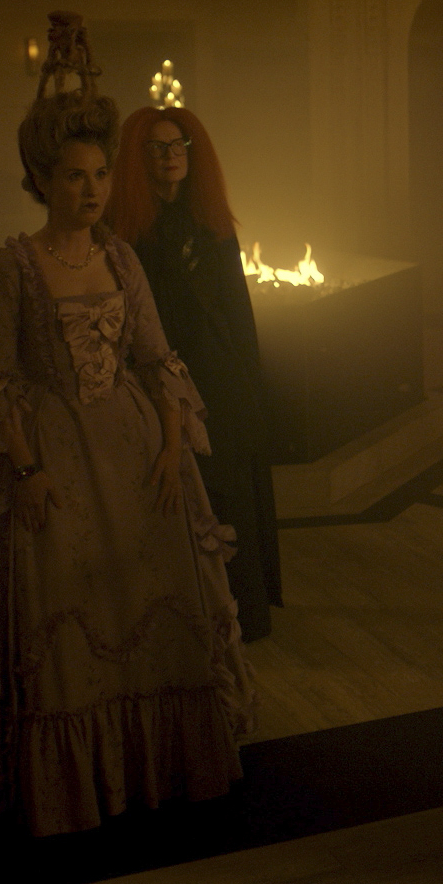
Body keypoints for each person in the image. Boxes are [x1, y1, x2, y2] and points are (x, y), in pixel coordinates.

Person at [0, 12, 256, 836]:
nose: (91, 190)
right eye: (74, 177)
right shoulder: (12, 267)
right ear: (42, 182)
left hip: (134, 451)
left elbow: (158, 359)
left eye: (102, 175)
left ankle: (156, 768)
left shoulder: (120, 256)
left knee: (150, 609)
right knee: (67, 626)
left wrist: (174, 444)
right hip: (51, 456)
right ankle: (73, 788)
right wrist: (27, 469)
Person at [105, 106, 280, 642]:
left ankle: (241, 612)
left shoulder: (210, 222)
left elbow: (238, 310)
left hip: (219, 377)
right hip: (158, 379)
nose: (171, 155)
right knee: (174, 493)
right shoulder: (125, 231)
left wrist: (251, 382)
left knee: (228, 490)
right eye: (157, 146)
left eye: (179, 144)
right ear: (139, 157)